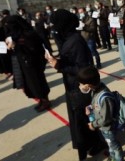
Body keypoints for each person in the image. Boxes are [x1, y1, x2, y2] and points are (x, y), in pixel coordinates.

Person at [46, 9, 107, 161]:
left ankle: (94, 144)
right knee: (80, 120)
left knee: (83, 119)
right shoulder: (68, 38)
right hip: (72, 86)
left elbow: (82, 69)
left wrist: (59, 66)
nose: (54, 28)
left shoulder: (76, 41)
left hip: (79, 88)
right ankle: (92, 143)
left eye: (56, 25)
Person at [4, 15, 51, 112]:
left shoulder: (28, 33)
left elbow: (34, 47)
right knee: (30, 83)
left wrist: (17, 43)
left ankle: (45, 100)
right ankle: (40, 99)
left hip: (33, 62)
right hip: (23, 62)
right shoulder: (14, 34)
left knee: (37, 81)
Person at [77, 66, 124, 161]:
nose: (80, 86)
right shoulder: (96, 89)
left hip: (107, 128)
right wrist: (90, 107)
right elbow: (96, 103)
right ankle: (112, 155)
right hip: (103, 127)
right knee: (109, 143)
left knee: (114, 144)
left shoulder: (105, 98)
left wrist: (93, 125)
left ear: (88, 86)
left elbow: (106, 119)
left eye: (81, 84)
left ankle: (118, 158)